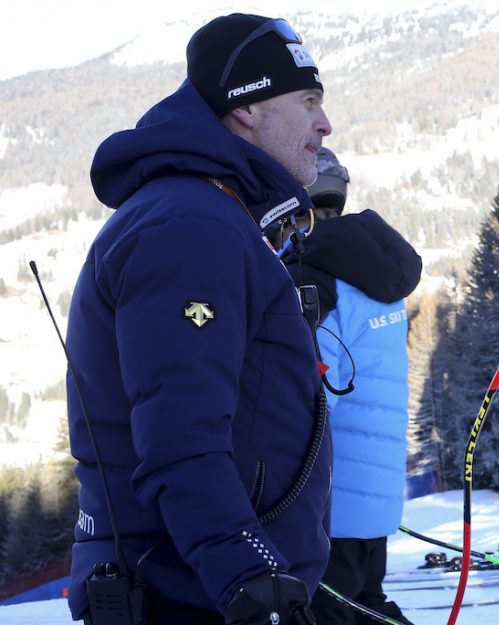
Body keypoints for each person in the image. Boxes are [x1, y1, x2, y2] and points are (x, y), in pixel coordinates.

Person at [66, 13, 333, 625]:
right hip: (191, 592)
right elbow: (180, 432)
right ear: (247, 107)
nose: (324, 123)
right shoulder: (190, 225)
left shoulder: (211, 213)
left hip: (201, 582)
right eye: (308, 100)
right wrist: (250, 576)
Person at [282, 148, 422, 625]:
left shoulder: (314, 280)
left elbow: (313, 401)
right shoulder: (373, 274)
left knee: (333, 614)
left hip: (331, 501)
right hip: (373, 493)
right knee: (365, 608)